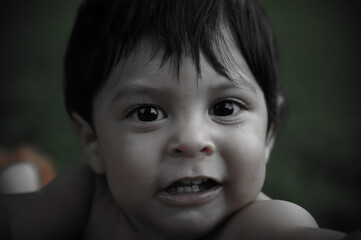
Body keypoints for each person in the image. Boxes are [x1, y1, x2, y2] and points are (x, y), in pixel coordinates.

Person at [0, 0, 356, 239]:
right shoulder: (90, 197)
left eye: (225, 108)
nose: (190, 140)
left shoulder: (264, 225)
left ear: (268, 133)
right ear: (93, 142)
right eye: (147, 113)